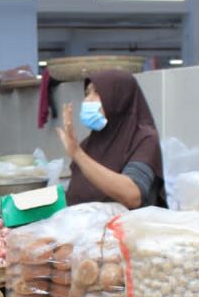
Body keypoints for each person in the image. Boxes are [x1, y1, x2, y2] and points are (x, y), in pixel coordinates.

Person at [56, 70, 165, 209]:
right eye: (87, 93)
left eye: (97, 92)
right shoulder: (87, 145)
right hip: (85, 227)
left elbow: (133, 196)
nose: (87, 99)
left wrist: (77, 154)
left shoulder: (144, 139)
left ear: (119, 97)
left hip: (127, 228)